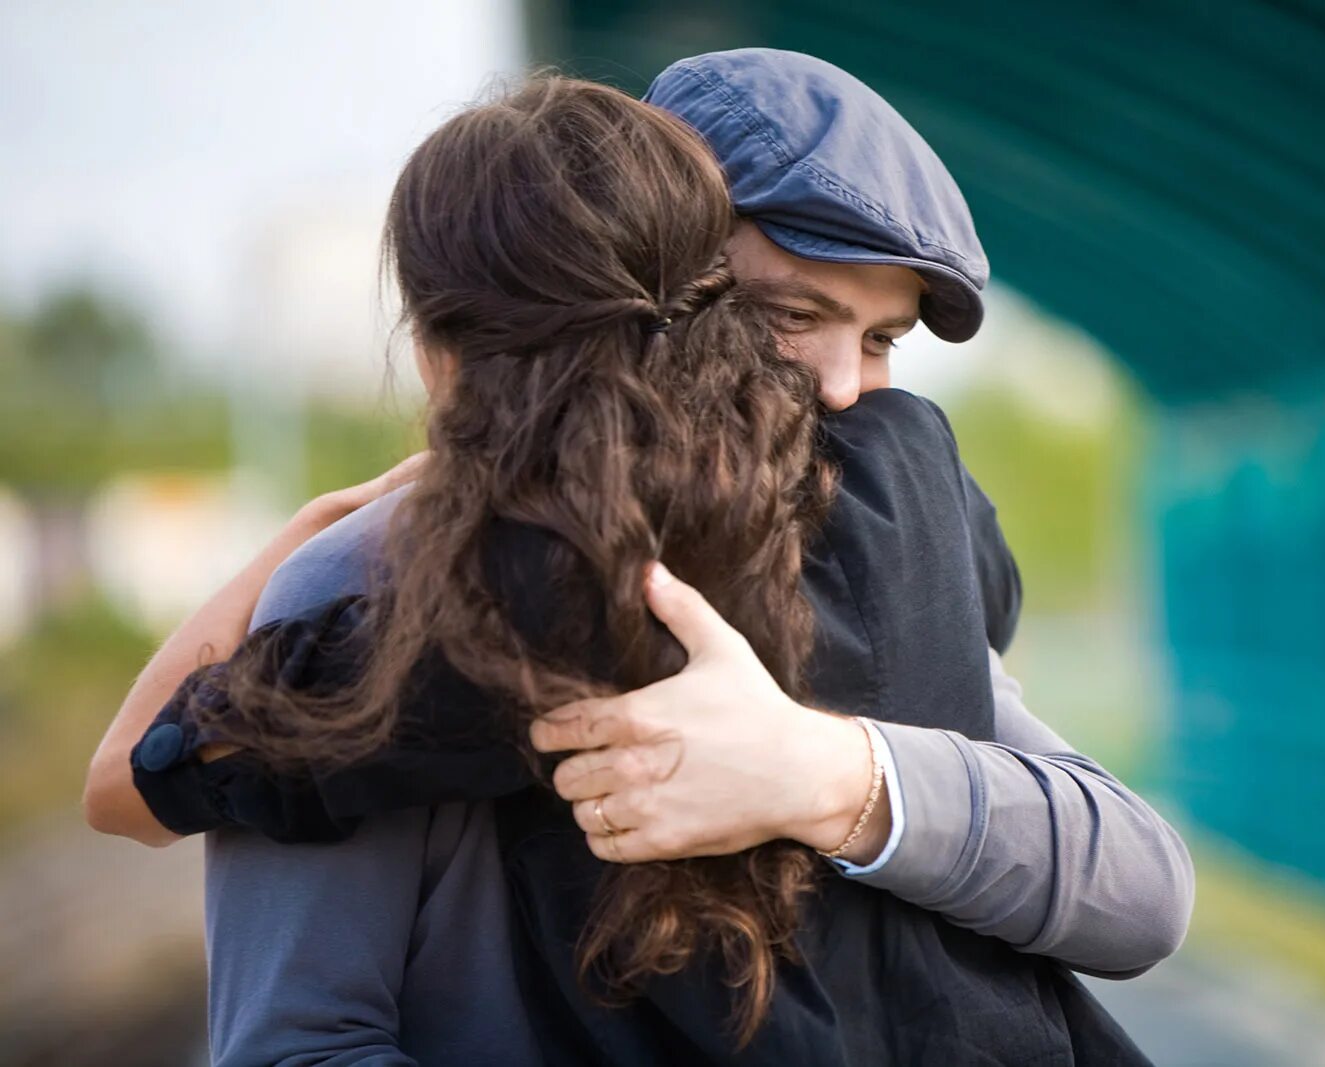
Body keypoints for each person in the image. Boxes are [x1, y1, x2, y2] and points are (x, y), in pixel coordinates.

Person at [84, 52, 1190, 1063]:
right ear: (659, 271)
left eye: (882, 341)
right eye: (792, 314)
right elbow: (297, 1036)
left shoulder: (864, 521)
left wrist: (831, 775)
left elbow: (1138, 881)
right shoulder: (397, 570)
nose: (846, 392)